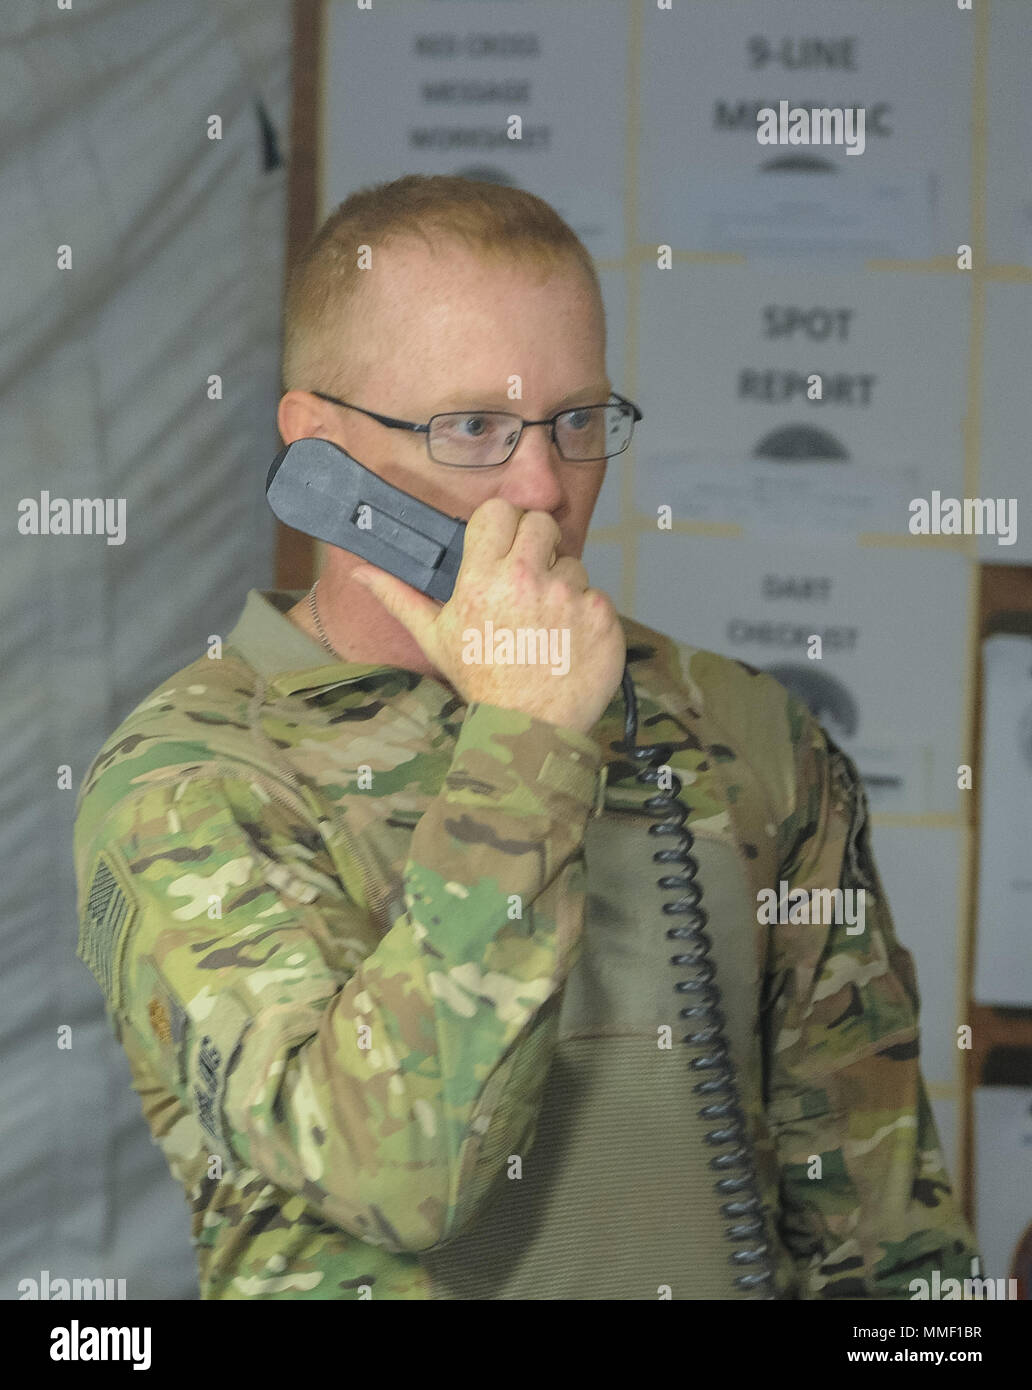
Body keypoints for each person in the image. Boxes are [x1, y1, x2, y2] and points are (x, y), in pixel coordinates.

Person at [73, 174, 979, 1300]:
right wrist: (529, 738)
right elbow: (392, 1172)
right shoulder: (192, 778)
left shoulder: (748, 734)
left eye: (580, 422)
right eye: (474, 428)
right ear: (319, 455)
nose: (545, 484)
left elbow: (885, 1235)